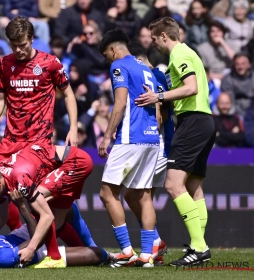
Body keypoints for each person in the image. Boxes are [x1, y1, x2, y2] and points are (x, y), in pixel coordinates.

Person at [0, 16, 78, 267]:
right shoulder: (4, 64)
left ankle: (59, 250)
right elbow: (0, 98)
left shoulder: (49, 63)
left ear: (32, 39)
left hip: (38, 143)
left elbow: (68, 93)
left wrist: (73, 128)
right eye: (14, 45)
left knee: (43, 202)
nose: (18, 49)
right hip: (9, 143)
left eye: (22, 44)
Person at [135, 16, 215, 266]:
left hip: (194, 122)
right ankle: (198, 246)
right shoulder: (187, 53)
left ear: (164, 36)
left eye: (154, 38)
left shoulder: (179, 54)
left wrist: (158, 96)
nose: (153, 43)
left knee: (173, 184)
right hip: (203, 121)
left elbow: (190, 87)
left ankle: (199, 248)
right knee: (194, 187)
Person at [0, 144, 94, 267]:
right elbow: (0, 217)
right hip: (66, 163)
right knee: (56, 220)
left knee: (40, 207)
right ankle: (95, 252)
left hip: (75, 161)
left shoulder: (19, 180)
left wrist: (31, 249)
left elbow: (47, 216)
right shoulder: (0, 180)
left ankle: (54, 257)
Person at [97, 30, 160, 268]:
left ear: (113, 50)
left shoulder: (119, 67)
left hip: (130, 137)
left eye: (106, 55)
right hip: (152, 138)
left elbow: (120, 102)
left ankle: (126, 251)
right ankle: (147, 255)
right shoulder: (144, 66)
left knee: (107, 193)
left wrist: (106, 136)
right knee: (144, 197)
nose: (108, 61)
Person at [126, 40, 173, 266]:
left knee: (140, 196)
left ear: (136, 59)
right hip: (150, 143)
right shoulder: (144, 75)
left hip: (156, 143)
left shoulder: (156, 76)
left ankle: (154, 244)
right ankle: (155, 244)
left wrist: (151, 129)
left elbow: (162, 111)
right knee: (137, 196)